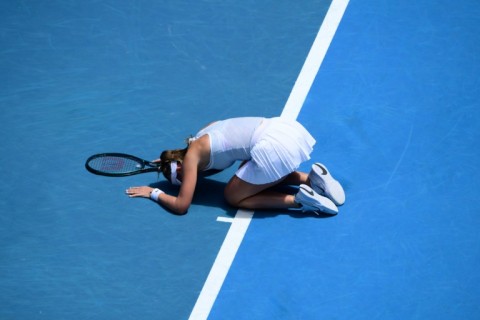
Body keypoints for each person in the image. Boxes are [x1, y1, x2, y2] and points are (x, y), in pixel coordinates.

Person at [125, 117, 345, 215]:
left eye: (181, 178)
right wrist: (166, 161)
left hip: (274, 148)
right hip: (285, 130)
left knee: (233, 196)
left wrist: (153, 193)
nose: (189, 181)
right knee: (251, 167)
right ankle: (312, 178)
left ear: (181, 165)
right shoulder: (205, 131)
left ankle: (299, 201)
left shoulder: (191, 159)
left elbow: (181, 206)